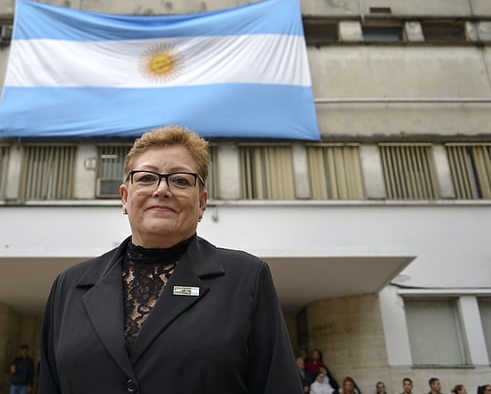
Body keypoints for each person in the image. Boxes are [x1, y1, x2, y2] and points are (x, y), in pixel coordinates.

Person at [38, 125, 302, 394]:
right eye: (146, 178)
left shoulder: (247, 278)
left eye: (180, 180)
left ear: (201, 203)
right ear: (125, 198)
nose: (162, 189)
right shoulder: (69, 286)